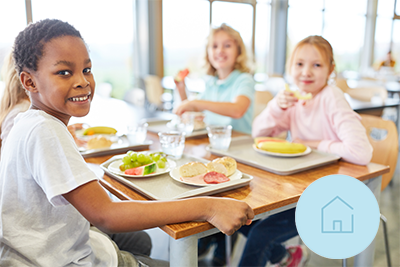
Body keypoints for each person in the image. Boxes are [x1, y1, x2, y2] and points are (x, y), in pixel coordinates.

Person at [0, 19, 254, 267]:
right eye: (64, 72)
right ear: (29, 82)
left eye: (86, 69)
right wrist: (208, 206)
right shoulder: (45, 130)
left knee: (140, 242)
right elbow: (106, 214)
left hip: (37, 249)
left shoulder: (31, 122)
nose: (83, 81)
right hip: (53, 258)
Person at [239, 35, 373, 267]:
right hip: (300, 188)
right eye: (299, 64)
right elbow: (259, 134)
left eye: (317, 65)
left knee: (260, 233)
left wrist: (314, 143)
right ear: (290, 68)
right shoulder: (294, 98)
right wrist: (276, 107)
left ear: (331, 70)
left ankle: (286, 256)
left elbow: (361, 152)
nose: (306, 72)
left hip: (335, 195)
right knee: (241, 219)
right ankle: (287, 257)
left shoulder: (332, 98)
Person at [0, 51, 85, 158]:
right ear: (30, 81)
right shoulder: (21, 113)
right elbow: (15, 159)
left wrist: (61, 131)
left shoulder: (25, 110)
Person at [174, 23, 255, 135]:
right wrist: (182, 90)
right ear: (208, 53)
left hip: (238, 144)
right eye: (214, 46)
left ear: (239, 51)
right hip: (213, 142)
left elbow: (237, 110)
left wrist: (196, 102)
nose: (220, 51)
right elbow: (193, 110)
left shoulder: (244, 80)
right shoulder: (211, 82)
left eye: (227, 45)